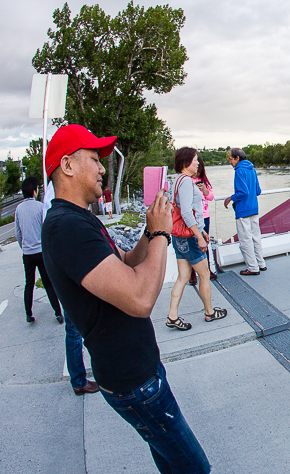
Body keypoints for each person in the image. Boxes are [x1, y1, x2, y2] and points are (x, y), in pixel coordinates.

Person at [41, 125, 211, 473]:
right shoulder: (65, 227)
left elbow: (128, 261)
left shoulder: (81, 219)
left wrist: (150, 230)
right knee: (195, 468)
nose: (103, 168)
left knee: (171, 462)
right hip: (133, 380)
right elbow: (140, 298)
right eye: (94, 159)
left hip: (138, 373)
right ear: (68, 165)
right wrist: (164, 233)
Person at [42, 180, 99, 396]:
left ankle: (79, 378)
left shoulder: (51, 197)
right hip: (67, 264)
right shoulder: (59, 203)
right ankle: (78, 380)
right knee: (74, 330)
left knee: (73, 329)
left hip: (59, 261)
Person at [167, 148, 227, 331]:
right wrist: (199, 236)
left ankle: (172, 316)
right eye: (195, 160)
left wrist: (201, 230)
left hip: (179, 236)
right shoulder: (186, 182)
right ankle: (209, 312)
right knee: (204, 274)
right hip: (189, 237)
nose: (198, 163)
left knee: (183, 276)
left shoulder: (177, 180)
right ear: (186, 163)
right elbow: (186, 212)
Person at [15, 177, 64, 324]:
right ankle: (57, 313)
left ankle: (28, 313)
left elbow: (18, 233)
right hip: (40, 251)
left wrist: (23, 246)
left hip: (27, 253)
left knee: (29, 283)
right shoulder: (39, 207)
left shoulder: (18, 209)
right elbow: (45, 228)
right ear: (35, 191)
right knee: (48, 282)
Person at [223, 148, 267, 275]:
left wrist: (231, 198)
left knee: (245, 241)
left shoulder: (239, 171)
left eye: (231, 159)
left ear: (237, 158)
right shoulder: (252, 169)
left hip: (243, 210)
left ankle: (253, 268)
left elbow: (243, 192)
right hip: (254, 209)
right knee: (256, 237)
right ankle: (261, 263)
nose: (230, 162)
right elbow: (257, 191)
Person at [189, 157, 217, 285]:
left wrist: (204, 189)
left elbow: (210, 197)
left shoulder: (204, 181)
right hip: (193, 217)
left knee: (205, 243)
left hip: (205, 216)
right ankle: (192, 273)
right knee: (193, 243)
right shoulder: (187, 181)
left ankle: (208, 269)